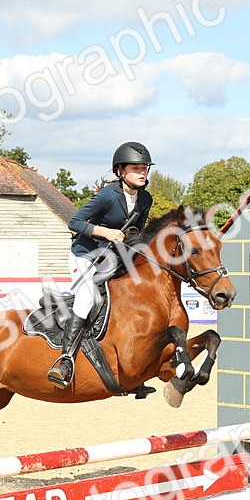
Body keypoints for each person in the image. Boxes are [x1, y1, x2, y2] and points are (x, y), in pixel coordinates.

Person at [47, 141, 154, 388]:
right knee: (88, 299)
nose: (142, 172)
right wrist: (105, 231)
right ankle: (65, 361)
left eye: (145, 168)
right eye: (136, 168)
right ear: (120, 171)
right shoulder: (108, 195)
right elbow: (74, 222)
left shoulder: (145, 198)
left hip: (114, 258)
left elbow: (138, 233)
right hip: (86, 254)